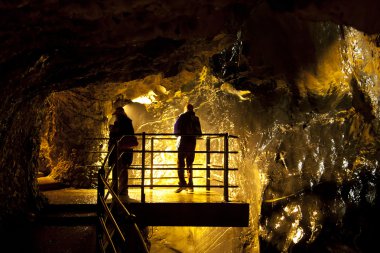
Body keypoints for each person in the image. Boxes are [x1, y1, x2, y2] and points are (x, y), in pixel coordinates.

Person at [173, 104, 202, 193]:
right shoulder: (195, 118)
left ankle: (182, 184)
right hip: (192, 143)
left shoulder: (181, 117)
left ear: (185, 109)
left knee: (180, 163)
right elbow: (199, 133)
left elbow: (176, 130)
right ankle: (190, 185)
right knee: (189, 164)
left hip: (183, 143)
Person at [108, 106, 135, 196]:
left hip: (120, 148)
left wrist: (112, 129)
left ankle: (120, 189)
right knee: (123, 169)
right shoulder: (127, 121)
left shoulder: (121, 122)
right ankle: (122, 189)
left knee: (119, 168)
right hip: (126, 148)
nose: (116, 116)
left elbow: (118, 133)